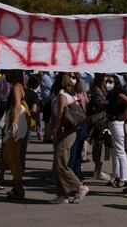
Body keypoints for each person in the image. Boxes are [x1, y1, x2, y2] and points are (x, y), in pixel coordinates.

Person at [50, 72, 89, 204]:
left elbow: (60, 114)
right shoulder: (69, 93)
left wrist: (54, 129)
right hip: (69, 131)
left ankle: (80, 187)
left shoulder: (62, 95)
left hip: (65, 132)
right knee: (56, 165)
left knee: (60, 164)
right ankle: (62, 195)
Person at [2, 70, 28, 200]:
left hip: (16, 121)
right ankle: (17, 186)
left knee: (12, 155)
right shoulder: (19, 86)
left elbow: (17, 106)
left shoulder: (16, 87)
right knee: (11, 155)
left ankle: (19, 187)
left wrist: (14, 123)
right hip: (17, 121)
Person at [105, 74, 127, 188]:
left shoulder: (120, 94)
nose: (107, 83)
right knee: (114, 151)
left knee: (120, 151)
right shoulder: (112, 94)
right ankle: (116, 175)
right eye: (107, 81)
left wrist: (124, 115)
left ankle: (124, 178)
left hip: (118, 123)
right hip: (111, 123)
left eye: (110, 81)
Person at [88, 73, 111, 181]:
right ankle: (98, 171)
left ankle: (98, 169)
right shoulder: (96, 89)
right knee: (100, 146)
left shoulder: (101, 87)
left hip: (102, 119)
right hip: (99, 121)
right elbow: (102, 103)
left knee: (101, 146)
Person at [68, 73, 89, 179]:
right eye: (71, 77)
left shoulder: (82, 91)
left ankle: (77, 171)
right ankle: (71, 173)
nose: (73, 80)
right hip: (72, 122)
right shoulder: (66, 92)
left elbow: (86, 103)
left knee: (79, 148)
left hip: (82, 121)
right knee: (73, 149)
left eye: (74, 77)